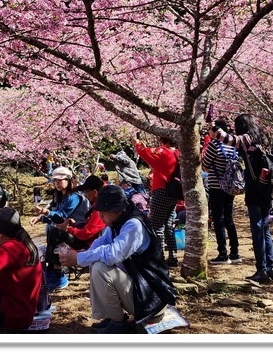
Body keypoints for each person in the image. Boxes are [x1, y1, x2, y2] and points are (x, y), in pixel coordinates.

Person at [58, 184, 178, 334]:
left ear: (117, 210)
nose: (100, 216)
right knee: (95, 261)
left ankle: (118, 323)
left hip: (151, 298)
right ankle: (111, 317)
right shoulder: (117, 223)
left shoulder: (133, 225)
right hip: (141, 290)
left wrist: (79, 258)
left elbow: (113, 254)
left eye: (103, 213)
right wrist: (80, 254)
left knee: (101, 268)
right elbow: (99, 245)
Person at [217, 113, 273, 283]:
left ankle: (261, 270)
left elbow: (226, 139)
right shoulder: (263, 137)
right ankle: (271, 268)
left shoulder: (246, 138)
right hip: (267, 188)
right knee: (265, 228)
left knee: (257, 229)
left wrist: (214, 128)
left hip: (255, 189)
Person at [30, 166, 89, 291]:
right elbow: (55, 216)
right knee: (53, 230)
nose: (56, 183)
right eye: (55, 181)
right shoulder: (61, 196)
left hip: (78, 235)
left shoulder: (74, 197)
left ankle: (58, 275)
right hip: (67, 233)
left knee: (55, 231)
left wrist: (45, 213)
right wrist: (41, 218)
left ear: (68, 180)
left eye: (59, 180)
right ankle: (52, 271)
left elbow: (61, 217)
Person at [133, 132, 181, 268]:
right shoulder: (178, 153)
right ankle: (173, 257)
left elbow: (145, 153)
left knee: (157, 225)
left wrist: (137, 144)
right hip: (174, 193)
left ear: (163, 140)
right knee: (169, 225)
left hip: (161, 191)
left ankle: (159, 257)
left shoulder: (163, 151)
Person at [200, 118, 241, 264]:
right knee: (229, 218)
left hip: (217, 187)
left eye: (210, 130)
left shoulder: (214, 145)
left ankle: (223, 254)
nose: (209, 132)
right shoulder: (232, 146)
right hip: (230, 187)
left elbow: (205, 166)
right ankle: (235, 252)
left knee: (219, 219)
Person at [51, 174, 107, 279]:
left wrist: (68, 229)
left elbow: (87, 233)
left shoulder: (99, 209)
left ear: (95, 192)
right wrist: (74, 225)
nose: (85, 195)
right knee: (55, 231)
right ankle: (54, 269)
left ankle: (57, 273)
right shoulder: (96, 205)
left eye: (86, 191)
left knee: (56, 233)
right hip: (88, 240)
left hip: (89, 244)